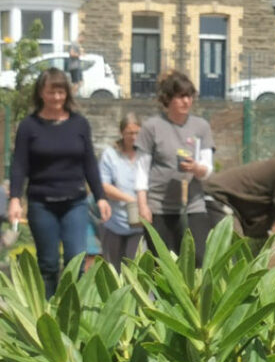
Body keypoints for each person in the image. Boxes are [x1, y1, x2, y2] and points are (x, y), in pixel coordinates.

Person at [6, 67, 111, 296]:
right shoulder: (29, 126)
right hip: (41, 203)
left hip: (75, 203)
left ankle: (76, 312)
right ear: (41, 93)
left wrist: (101, 196)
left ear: (67, 94)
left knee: (77, 259)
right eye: (51, 92)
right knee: (48, 264)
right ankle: (48, 315)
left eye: (61, 92)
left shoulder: (79, 124)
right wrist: (15, 198)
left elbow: (89, 163)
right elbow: (20, 165)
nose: (56, 97)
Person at [135, 70, 215, 265]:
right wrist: (143, 205)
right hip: (159, 207)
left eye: (189, 96)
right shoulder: (152, 126)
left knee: (197, 260)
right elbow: (141, 170)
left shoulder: (201, 126)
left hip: (193, 206)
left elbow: (208, 168)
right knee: (162, 265)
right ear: (168, 99)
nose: (186, 101)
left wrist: (197, 168)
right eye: (180, 96)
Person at [98, 112, 145, 270]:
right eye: (129, 133)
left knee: (136, 271)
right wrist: (130, 200)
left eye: (137, 133)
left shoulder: (146, 155)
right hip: (115, 222)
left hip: (140, 224)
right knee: (113, 270)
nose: (133, 137)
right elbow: (103, 185)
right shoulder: (110, 155)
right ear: (122, 133)